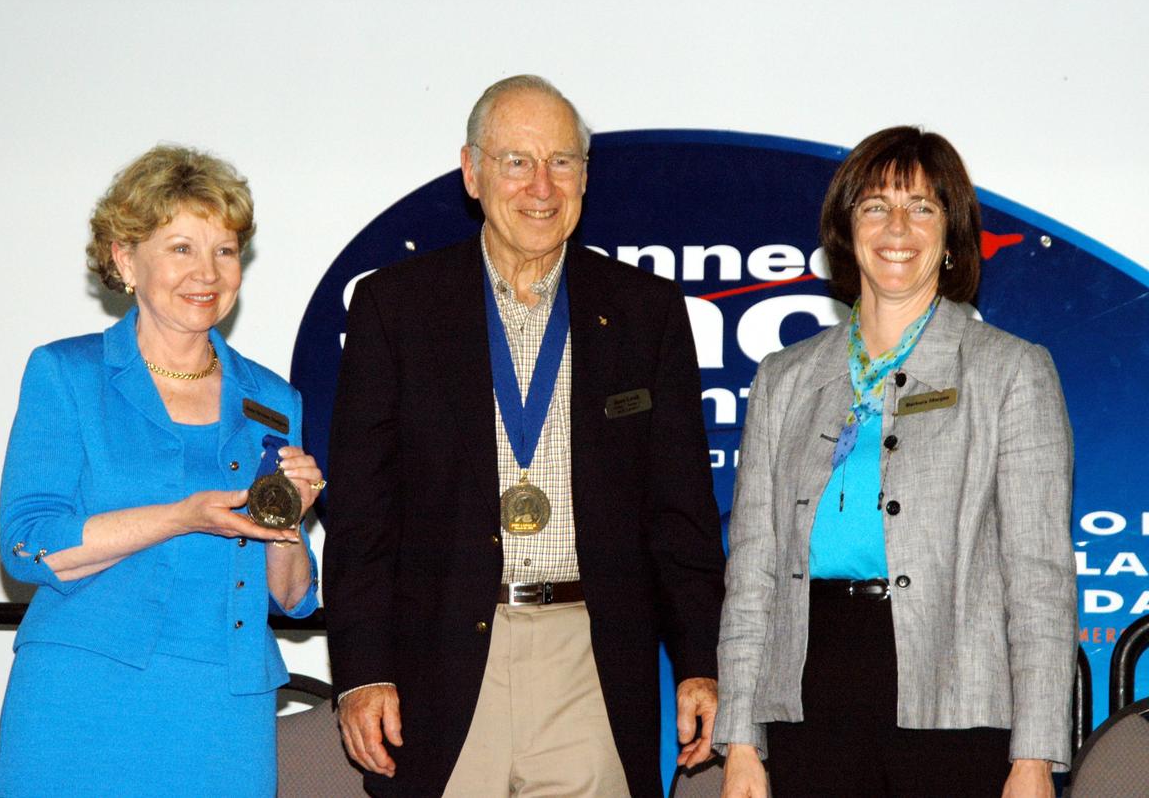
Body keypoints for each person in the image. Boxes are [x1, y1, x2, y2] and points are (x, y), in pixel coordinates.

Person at [324, 74, 726, 797]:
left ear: (585, 176)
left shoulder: (646, 311)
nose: (542, 186)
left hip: (590, 662)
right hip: (442, 661)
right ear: (472, 172)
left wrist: (702, 661)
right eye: (517, 161)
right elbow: (361, 517)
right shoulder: (395, 307)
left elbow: (682, 514)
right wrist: (361, 670)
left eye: (562, 161)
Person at [713, 126, 1077, 798]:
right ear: (846, 229)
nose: (897, 227)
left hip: (957, 704)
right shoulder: (784, 379)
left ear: (952, 234)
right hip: (807, 700)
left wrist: (1036, 756)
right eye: (876, 206)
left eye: (922, 207)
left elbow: (1040, 583)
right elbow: (753, 575)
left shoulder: (1010, 371)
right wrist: (739, 739)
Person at [0, 145, 325, 797]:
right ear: (125, 260)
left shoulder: (273, 399)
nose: (207, 272)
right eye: (181, 248)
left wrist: (291, 519)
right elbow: (29, 544)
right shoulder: (67, 374)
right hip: (83, 700)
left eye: (225, 250)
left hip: (225, 710)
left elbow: (291, 597)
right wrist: (180, 516)